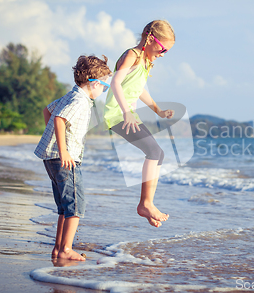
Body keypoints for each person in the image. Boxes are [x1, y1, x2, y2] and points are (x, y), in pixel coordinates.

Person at [34, 55, 112, 261]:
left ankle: (59, 248)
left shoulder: (70, 95)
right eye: (104, 86)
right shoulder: (79, 100)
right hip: (64, 159)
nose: (104, 90)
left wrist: (53, 141)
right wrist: (63, 150)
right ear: (94, 83)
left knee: (64, 206)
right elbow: (58, 119)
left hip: (51, 158)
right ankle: (66, 249)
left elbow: (48, 111)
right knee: (76, 206)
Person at [104, 20, 175, 228]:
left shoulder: (145, 61)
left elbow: (140, 88)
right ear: (150, 38)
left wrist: (158, 110)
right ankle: (145, 204)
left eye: (166, 52)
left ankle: (147, 206)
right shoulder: (132, 55)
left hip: (127, 113)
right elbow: (116, 82)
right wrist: (126, 112)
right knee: (153, 151)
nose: (162, 54)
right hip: (118, 113)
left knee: (158, 153)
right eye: (162, 49)